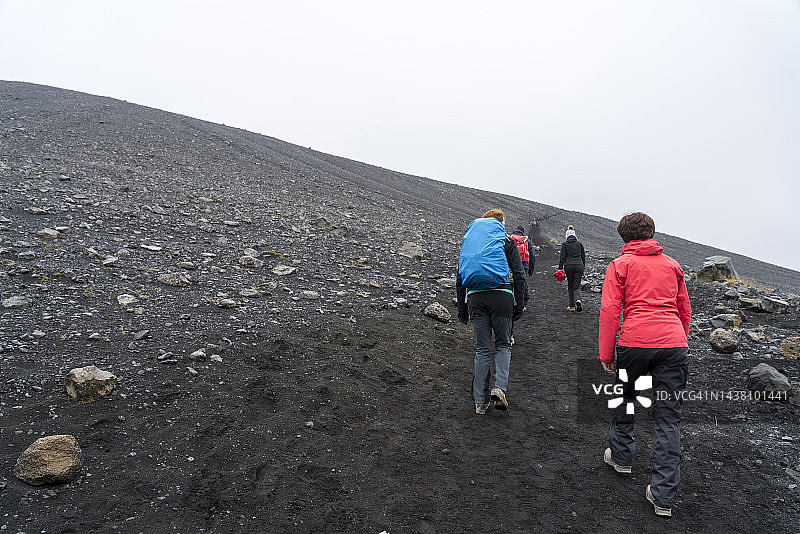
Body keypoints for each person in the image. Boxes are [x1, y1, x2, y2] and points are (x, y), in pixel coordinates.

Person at [598, 212, 691, 518]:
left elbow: (611, 310)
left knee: (624, 400)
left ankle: (622, 457)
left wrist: (606, 353)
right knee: (668, 419)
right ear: (651, 233)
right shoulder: (673, 266)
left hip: (634, 343)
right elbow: (683, 311)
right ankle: (663, 496)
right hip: (673, 345)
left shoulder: (620, 265)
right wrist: (678, 342)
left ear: (623, 236)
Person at [456, 209, 526, 415]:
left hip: (476, 299)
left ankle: (480, 402)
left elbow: (460, 277)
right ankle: (499, 388)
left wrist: (462, 308)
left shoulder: (470, 242)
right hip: (501, 297)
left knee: (482, 349)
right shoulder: (506, 242)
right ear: (500, 223)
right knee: (503, 344)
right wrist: (519, 304)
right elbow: (519, 275)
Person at [558, 225, 586, 312]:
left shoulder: (564, 244)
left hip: (569, 266)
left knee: (570, 285)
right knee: (577, 285)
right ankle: (578, 300)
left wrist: (560, 268)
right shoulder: (579, 244)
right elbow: (583, 257)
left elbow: (562, 257)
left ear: (567, 235)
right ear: (574, 235)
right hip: (579, 266)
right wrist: (583, 267)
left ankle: (572, 306)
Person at [511, 225, 535, 307]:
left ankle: (510, 302)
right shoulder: (526, 241)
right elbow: (532, 256)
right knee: (522, 283)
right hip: (523, 265)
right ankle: (523, 303)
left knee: (511, 283)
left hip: (511, 265)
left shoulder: (510, 239)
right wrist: (531, 269)